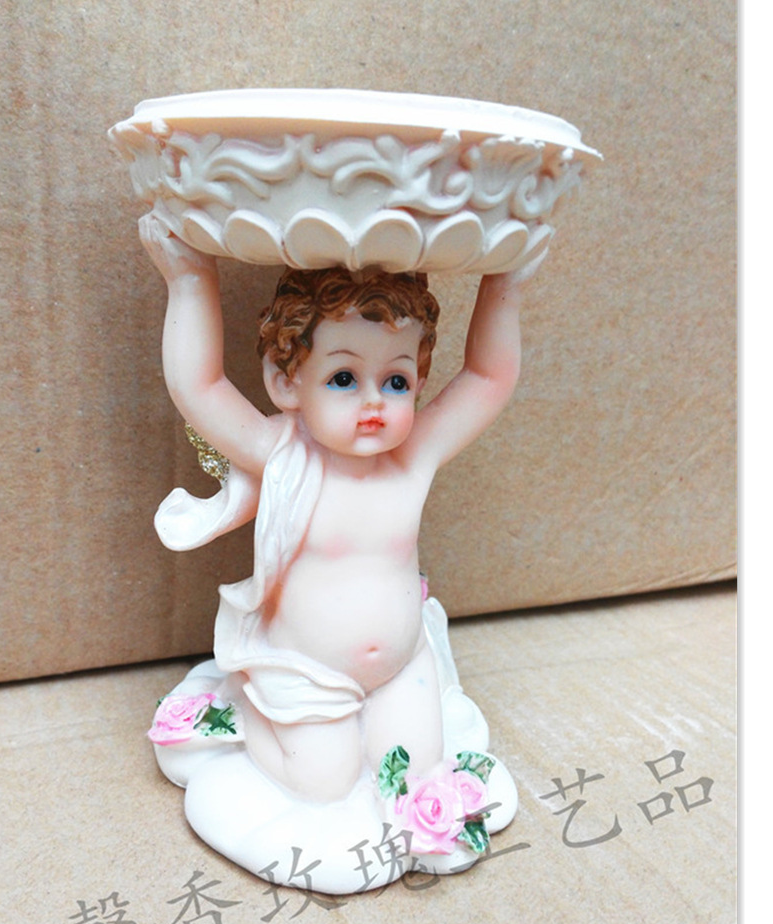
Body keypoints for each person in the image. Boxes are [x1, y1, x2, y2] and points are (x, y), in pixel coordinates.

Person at [140, 211, 525, 803]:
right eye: (344, 378)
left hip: (398, 669)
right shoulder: (283, 458)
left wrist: (506, 280)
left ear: (420, 383)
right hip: (306, 674)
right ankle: (243, 712)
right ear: (286, 382)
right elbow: (200, 387)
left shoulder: (412, 458)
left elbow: (487, 378)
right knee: (323, 786)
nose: (374, 403)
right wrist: (189, 279)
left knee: (414, 779)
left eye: (396, 382)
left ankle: (375, 735)